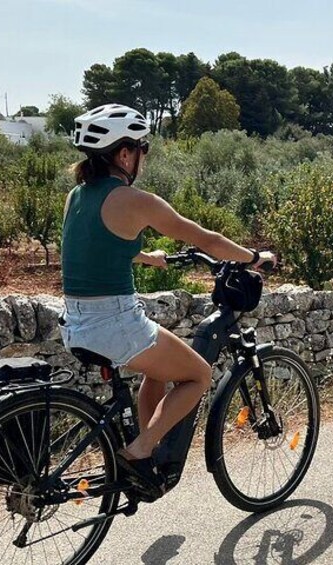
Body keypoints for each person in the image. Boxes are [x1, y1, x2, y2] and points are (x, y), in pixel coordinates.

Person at [60, 104, 275, 478]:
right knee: (199, 376)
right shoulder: (135, 201)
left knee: (156, 371)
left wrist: (145, 256)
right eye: (143, 148)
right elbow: (206, 238)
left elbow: (93, 245)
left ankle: (148, 449)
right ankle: (140, 450)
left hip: (76, 323)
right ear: (124, 153)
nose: (144, 156)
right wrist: (254, 256)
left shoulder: (76, 196)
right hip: (116, 324)